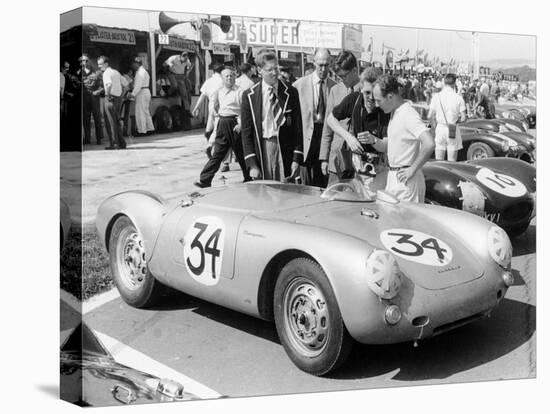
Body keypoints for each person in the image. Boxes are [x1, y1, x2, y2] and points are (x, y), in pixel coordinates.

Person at [370, 75, 435, 203]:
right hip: (396, 178)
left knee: (405, 223)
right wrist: (373, 140)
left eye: (379, 101)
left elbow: (429, 143)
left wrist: (412, 169)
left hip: (406, 183)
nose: (377, 105)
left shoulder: (408, 114)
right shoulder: (395, 113)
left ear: (390, 97)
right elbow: (392, 145)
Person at [241, 49, 303, 182]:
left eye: (276, 68)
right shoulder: (249, 96)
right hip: (263, 147)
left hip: (285, 149)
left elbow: (298, 128)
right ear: (259, 70)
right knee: (265, 193)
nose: (274, 73)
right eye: (269, 70)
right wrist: (252, 163)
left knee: (286, 193)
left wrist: (296, 158)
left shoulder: (291, 92)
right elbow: (246, 133)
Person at [325, 67, 390, 194]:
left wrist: (373, 140)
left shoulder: (384, 109)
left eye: (374, 94)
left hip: (378, 172)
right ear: (361, 89)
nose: (371, 98)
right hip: (355, 170)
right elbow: (330, 119)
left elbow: (386, 146)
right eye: (367, 93)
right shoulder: (354, 100)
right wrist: (349, 138)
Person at [194, 68, 251, 188]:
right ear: (222, 78)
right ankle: (205, 180)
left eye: (231, 76)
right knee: (218, 154)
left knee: (241, 152)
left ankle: (249, 177)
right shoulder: (218, 92)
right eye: (226, 76)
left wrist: (241, 124)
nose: (229, 78)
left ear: (235, 78)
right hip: (222, 122)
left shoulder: (240, 92)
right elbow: (215, 108)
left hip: (235, 123)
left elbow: (245, 111)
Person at [293, 48, 336, 187]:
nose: (323, 69)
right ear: (314, 62)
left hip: (324, 138)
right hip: (306, 141)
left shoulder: (335, 88)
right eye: (320, 65)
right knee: (306, 185)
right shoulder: (299, 86)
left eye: (327, 65)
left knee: (323, 184)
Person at [319, 50, 362, 184]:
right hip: (336, 160)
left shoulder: (367, 92)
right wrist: (324, 158)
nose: (342, 80)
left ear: (355, 70)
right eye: (339, 77)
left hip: (358, 162)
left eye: (344, 76)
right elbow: (327, 128)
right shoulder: (335, 91)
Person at [427, 73, 466, 161]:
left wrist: (434, 126)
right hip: (452, 128)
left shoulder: (436, 97)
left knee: (439, 160)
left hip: (440, 128)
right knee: (451, 161)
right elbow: (463, 118)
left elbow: (430, 115)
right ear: (454, 83)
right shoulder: (458, 98)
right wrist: (456, 121)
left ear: (444, 82)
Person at [97, 56, 127, 150]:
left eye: (100, 64)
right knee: (116, 121)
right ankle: (121, 143)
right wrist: (121, 95)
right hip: (117, 98)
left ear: (106, 64)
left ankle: (114, 144)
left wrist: (108, 94)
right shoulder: (116, 72)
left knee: (110, 122)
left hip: (110, 97)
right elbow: (126, 85)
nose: (99, 66)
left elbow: (109, 84)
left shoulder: (106, 73)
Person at [192, 64, 224, 141]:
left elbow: (202, 96)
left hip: (211, 105)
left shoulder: (208, 81)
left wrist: (196, 108)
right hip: (221, 105)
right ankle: (212, 144)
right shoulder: (223, 81)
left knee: (210, 123)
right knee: (217, 126)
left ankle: (209, 139)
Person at [165, 51, 193, 127]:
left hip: (180, 76)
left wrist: (187, 71)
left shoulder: (187, 60)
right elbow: (166, 63)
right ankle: (168, 94)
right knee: (174, 85)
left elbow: (190, 66)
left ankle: (187, 111)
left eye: (186, 58)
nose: (184, 60)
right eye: (183, 58)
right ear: (180, 56)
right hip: (172, 74)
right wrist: (169, 65)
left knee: (185, 94)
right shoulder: (173, 58)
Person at [130, 57, 155, 136]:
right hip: (146, 91)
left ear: (137, 63)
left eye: (133, 64)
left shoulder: (140, 72)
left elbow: (138, 85)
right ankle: (150, 129)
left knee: (140, 112)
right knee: (146, 111)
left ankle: (142, 131)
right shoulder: (144, 71)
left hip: (141, 92)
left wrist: (133, 94)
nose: (132, 65)